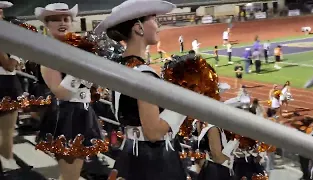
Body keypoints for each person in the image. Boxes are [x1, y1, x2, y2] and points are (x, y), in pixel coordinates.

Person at [94, 0, 187, 179]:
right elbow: (153, 131)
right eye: (153, 19)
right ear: (138, 28)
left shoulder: (120, 66)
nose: (158, 25)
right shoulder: (143, 74)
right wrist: (187, 101)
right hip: (153, 160)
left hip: (131, 153)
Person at [34, 3, 105, 180]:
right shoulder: (47, 54)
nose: (62, 22)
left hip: (83, 112)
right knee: (70, 175)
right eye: (56, 19)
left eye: (66, 18)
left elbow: (90, 86)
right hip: (65, 116)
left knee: (72, 174)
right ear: (47, 24)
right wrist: (81, 69)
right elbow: (61, 93)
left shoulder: (77, 51)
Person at [0, 1, 22, 170]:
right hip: (6, 83)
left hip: (7, 83)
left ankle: (7, 162)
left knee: (7, 131)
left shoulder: (9, 37)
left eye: (1, 12)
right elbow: (9, 64)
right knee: (6, 132)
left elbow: (11, 64)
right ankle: (6, 163)